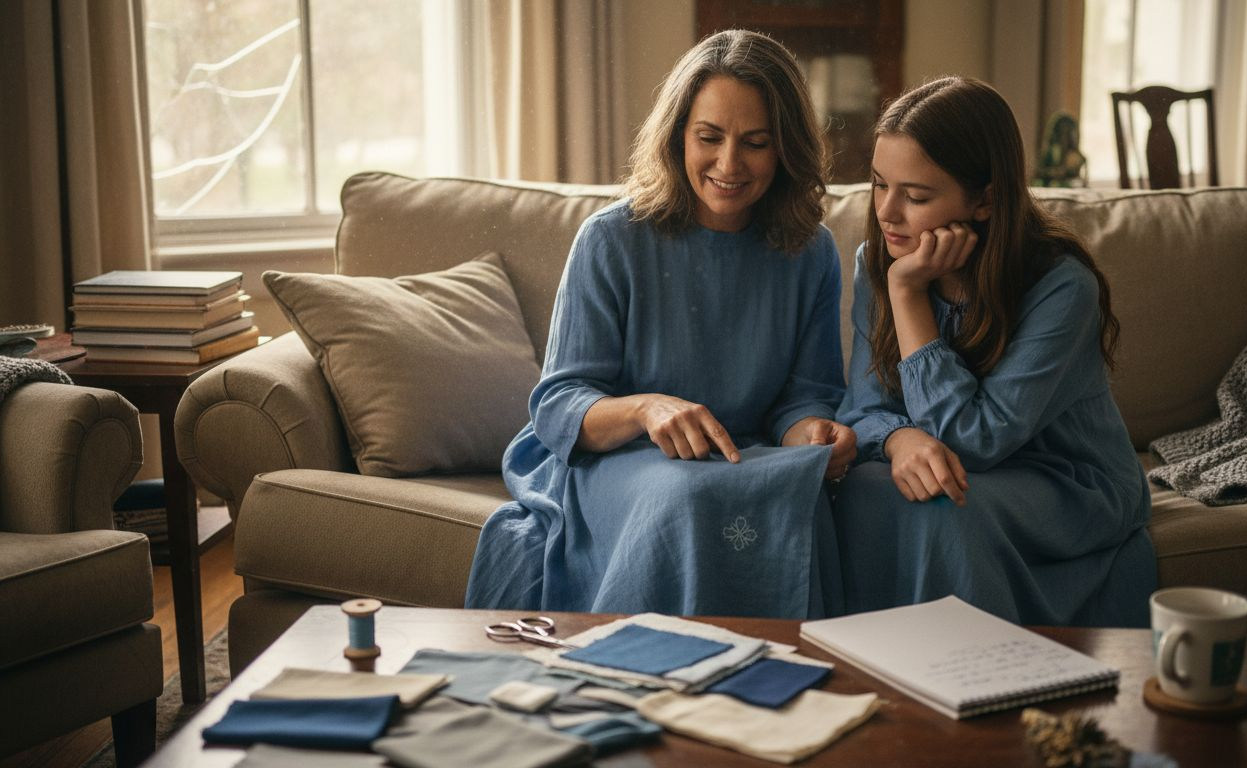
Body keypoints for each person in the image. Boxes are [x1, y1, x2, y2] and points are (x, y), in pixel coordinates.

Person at [465, 30, 856, 618]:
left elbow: (805, 397)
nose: (729, 163)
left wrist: (814, 434)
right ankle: (651, 664)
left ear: (786, 149)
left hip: (742, 458)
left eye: (755, 143)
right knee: (685, 494)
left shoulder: (812, 251)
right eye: (709, 137)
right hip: (613, 460)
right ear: (677, 136)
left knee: (805, 497)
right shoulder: (610, 239)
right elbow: (559, 404)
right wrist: (646, 409)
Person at [834, 77, 1156, 627]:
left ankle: (967, 666)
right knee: (857, 490)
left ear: (984, 200)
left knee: (945, 504)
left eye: (916, 197)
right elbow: (860, 409)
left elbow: (976, 440)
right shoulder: (877, 260)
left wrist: (908, 294)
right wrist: (900, 438)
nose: (887, 212)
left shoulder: (1061, 286)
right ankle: (874, 662)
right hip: (958, 464)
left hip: (1066, 481)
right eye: (879, 184)